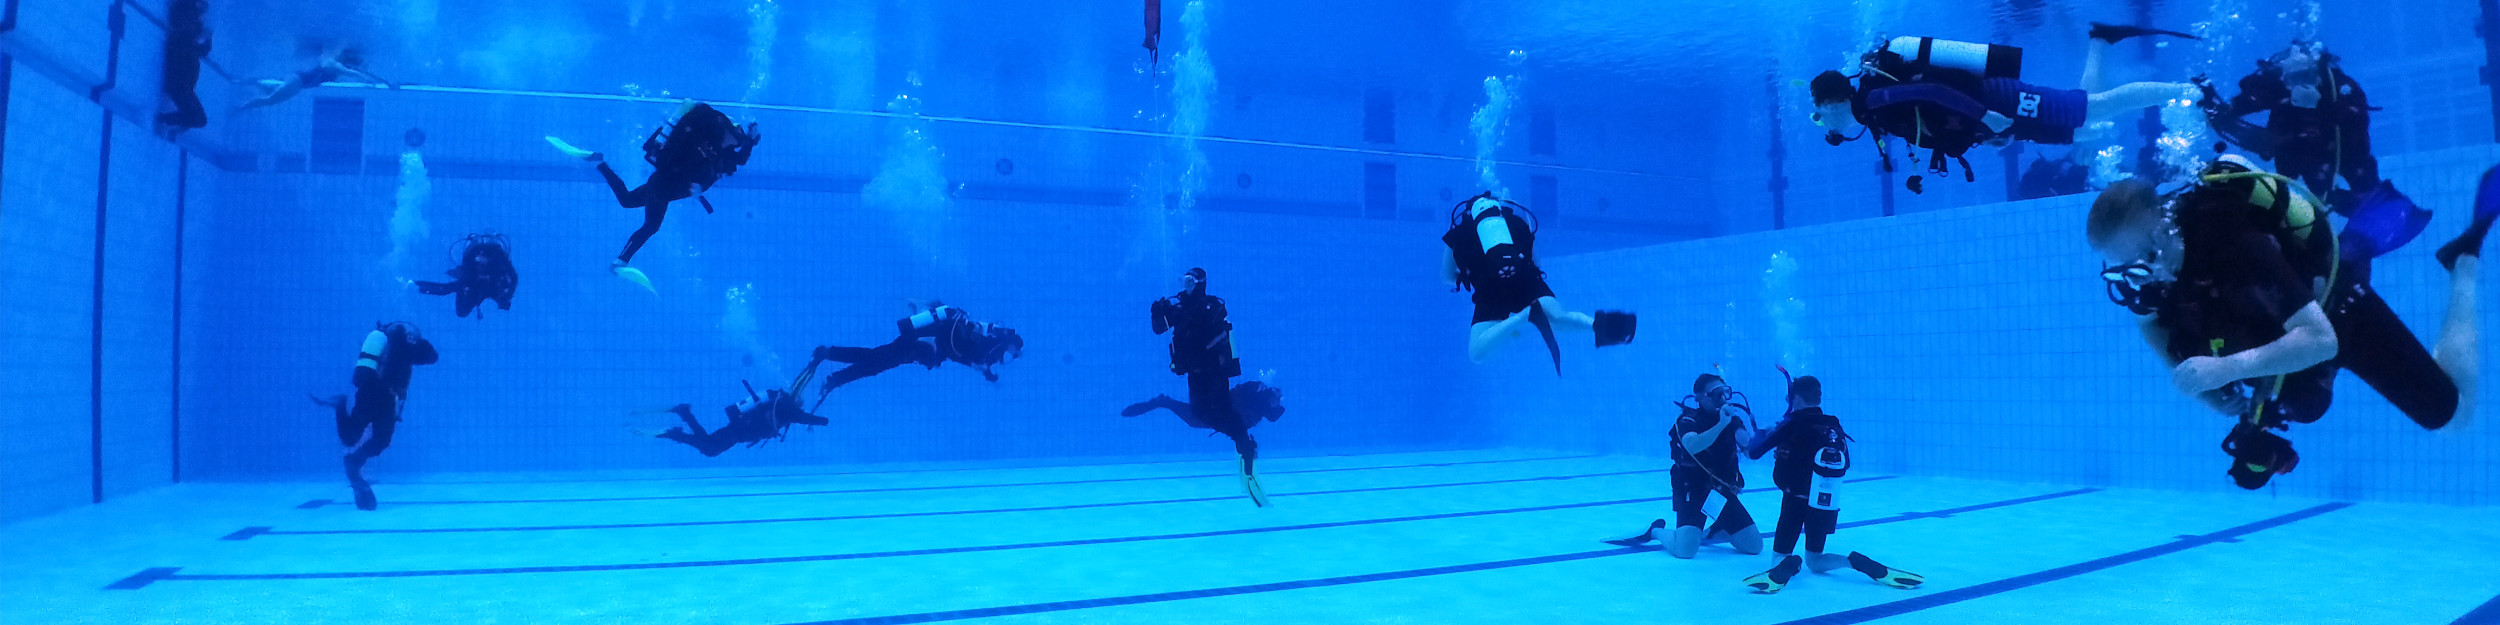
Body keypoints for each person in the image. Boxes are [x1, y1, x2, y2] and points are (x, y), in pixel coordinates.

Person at [2087, 159, 2493, 489]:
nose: (2146, 276)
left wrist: (2225, 368)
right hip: (2275, 344)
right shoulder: (2144, 277)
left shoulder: (2230, 241)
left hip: (2335, 311)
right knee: (2299, 406)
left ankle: (2464, 263)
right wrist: (2209, 395)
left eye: (2146, 257)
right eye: (2129, 269)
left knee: (2454, 418)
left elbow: (2321, 340)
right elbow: (2149, 323)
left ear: (2166, 227)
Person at [1810, 24, 2198, 192]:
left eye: (1821, 111)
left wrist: (1986, 117)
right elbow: (1930, 124)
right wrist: (1982, 133)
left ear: (1834, 101)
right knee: (2079, 126)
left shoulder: (1875, 98)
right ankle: (2100, 41)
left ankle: (2189, 90)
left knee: (2093, 109)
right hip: (1989, 117)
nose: (1824, 121)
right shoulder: (1871, 112)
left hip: (1996, 100)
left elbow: (1932, 92)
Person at [543, 102, 760, 290]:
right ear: (726, 134)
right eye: (734, 139)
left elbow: (739, 159)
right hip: (665, 185)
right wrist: (696, 185)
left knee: (627, 200)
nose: (734, 143)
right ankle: (620, 262)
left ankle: (599, 162)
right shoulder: (706, 146)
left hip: (664, 185)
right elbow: (691, 163)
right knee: (652, 226)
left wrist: (750, 140)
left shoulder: (719, 153)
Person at [1739, 375, 1924, 594]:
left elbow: (1752, 452)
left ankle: (1791, 563)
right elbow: (1846, 463)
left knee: (1779, 559)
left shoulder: (1792, 424)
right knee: (1816, 561)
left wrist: (1764, 432)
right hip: (1825, 501)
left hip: (1794, 501)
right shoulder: (1833, 424)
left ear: (1796, 398)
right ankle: (1852, 562)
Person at [1441, 192, 1636, 373]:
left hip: (1490, 290)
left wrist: (1475, 273)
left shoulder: (1458, 233)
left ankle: (1523, 317)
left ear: (1470, 211)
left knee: (1477, 353)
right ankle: (1605, 327)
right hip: (1527, 281)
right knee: (1558, 318)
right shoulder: (1517, 222)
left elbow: (1447, 276)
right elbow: (1536, 264)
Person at [2200, 41, 2381, 205]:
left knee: (2360, 184)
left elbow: (2358, 130)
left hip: (2335, 148)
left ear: (2318, 73)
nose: (2300, 84)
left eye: (2307, 76)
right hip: (2291, 150)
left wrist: (2327, 111)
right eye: (2294, 79)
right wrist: (2221, 108)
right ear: (2284, 78)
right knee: (2295, 182)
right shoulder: (2278, 88)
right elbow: (2244, 104)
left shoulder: (2340, 90)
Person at [1606, 373, 1764, 558]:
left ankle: (1718, 528)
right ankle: (1655, 531)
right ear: (1701, 398)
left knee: (1754, 546)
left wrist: (1767, 437)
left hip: (1719, 492)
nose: (1722, 399)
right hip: (1693, 490)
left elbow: (1746, 443)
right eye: (1716, 394)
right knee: (1685, 550)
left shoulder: (1731, 418)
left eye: (1725, 392)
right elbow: (1692, 445)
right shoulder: (1688, 419)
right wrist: (1722, 424)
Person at [1147, 268, 1269, 505]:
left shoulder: (1211, 306)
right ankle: (1243, 439)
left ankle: (1245, 446)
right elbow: (1159, 328)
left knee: (1223, 411)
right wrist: (1157, 312)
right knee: (1201, 414)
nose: (1185, 286)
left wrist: (1181, 310)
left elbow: (1206, 321)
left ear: (1201, 283)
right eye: (1183, 281)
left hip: (1215, 372)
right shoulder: (1179, 308)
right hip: (1194, 373)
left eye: (1190, 281)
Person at [307, 322, 437, 511]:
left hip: (373, 394)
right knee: (378, 440)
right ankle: (352, 448)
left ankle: (354, 458)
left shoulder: (384, 345)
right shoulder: (404, 346)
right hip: (380, 396)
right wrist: (419, 340)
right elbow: (432, 356)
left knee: (363, 438)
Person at [810, 301, 1025, 409]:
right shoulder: (982, 342)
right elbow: (971, 354)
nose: (1007, 358)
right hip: (917, 345)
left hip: (918, 349)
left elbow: (967, 358)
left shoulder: (976, 346)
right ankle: (829, 357)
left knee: (874, 363)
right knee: (873, 359)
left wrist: (987, 372)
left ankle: (834, 374)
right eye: (1011, 353)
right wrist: (991, 362)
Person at [643, 389, 829, 457]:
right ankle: (675, 430)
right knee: (710, 449)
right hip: (738, 431)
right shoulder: (788, 411)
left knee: (708, 445)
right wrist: (824, 421)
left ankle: (683, 414)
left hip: (738, 429)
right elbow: (805, 418)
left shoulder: (780, 406)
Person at [239, 47, 397, 110]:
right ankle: (240, 107)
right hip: (299, 81)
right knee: (270, 100)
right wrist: (371, 81)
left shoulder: (336, 67)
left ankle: (248, 82)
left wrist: (377, 80)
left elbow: (354, 72)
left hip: (299, 82)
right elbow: (353, 74)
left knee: (270, 90)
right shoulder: (334, 64)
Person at [413, 233, 518, 319]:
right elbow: (447, 289)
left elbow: (446, 289)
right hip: (479, 287)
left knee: (462, 309)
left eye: (483, 265)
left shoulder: (498, 271)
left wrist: (505, 298)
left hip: (485, 288)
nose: (481, 268)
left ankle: (414, 286)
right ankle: (414, 286)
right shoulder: (474, 276)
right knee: (462, 310)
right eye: (479, 265)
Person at [155, 0, 212, 135]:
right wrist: (207, 39)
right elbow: (196, 50)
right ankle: (164, 119)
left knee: (199, 119)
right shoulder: (184, 40)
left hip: (182, 86)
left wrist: (207, 39)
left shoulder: (186, 40)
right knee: (199, 119)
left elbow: (199, 51)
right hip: (180, 86)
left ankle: (165, 119)